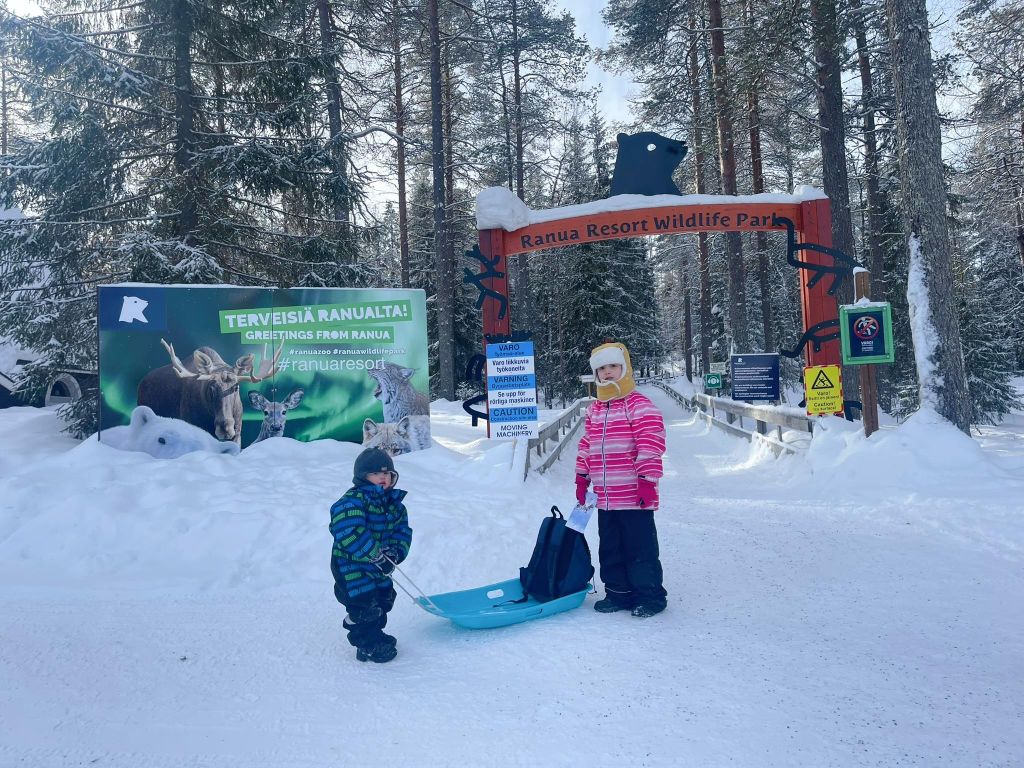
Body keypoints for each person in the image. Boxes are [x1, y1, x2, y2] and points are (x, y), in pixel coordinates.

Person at [575, 341, 668, 618]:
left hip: (634, 495)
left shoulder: (639, 405)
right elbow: (587, 445)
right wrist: (582, 478)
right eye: (601, 368)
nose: (608, 373)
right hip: (605, 497)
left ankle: (649, 596)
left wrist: (648, 481)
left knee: (639, 549)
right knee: (611, 548)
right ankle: (618, 593)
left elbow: (651, 443)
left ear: (625, 368)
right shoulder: (595, 410)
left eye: (613, 366)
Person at [329, 447, 413, 663]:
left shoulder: (394, 505)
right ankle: (367, 644)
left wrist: (394, 553)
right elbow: (349, 531)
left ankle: (375, 634)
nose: (383, 478)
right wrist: (375, 555)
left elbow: (401, 531)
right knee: (364, 604)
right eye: (376, 474)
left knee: (383, 599)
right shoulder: (353, 501)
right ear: (363, 477)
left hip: (379, 566)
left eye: (387, 474)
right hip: (351, 567)